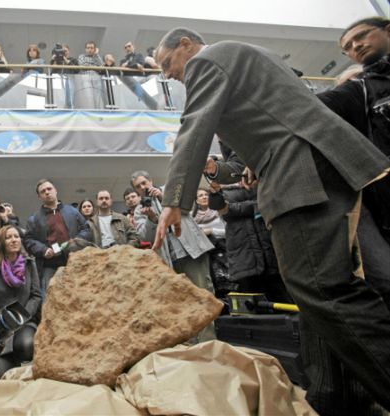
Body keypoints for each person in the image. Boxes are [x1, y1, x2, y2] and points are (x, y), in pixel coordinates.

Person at [152, 27, 390, 414]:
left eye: (167, 63)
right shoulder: (243, 54)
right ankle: (335, 397)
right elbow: (273, 116)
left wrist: (173, 199)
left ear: (186, 46)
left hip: (300, 172)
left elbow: (194, 125)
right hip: (307, 163)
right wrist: (252, 163)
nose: (167, 74)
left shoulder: (208, 60)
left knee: (324, 288)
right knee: (314, 292)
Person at [317, 17, 390, 313]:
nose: (355, 46)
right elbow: (310, 108)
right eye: (347, 46)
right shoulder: (361, 89)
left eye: (361, 36)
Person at [0, 225, 41, 377]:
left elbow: (36, 295)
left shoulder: (29, 263)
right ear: (1, 242)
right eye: (8, 237)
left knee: (26, 345)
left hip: (24, 320)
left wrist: (23, 315)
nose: (14, 240)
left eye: (16, 236)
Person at [24, 179, 91, 297]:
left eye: (49, 189)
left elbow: (86, 229)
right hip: (49, 266)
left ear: (56, 190)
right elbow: (28, 240)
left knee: (80, 297)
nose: (47, 192)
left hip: (74, 261)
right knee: (50, 300)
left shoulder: (73, 212)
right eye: (43, 191)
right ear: (39, 196)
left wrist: (75, 241)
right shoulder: (34, 219)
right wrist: (43, 249)